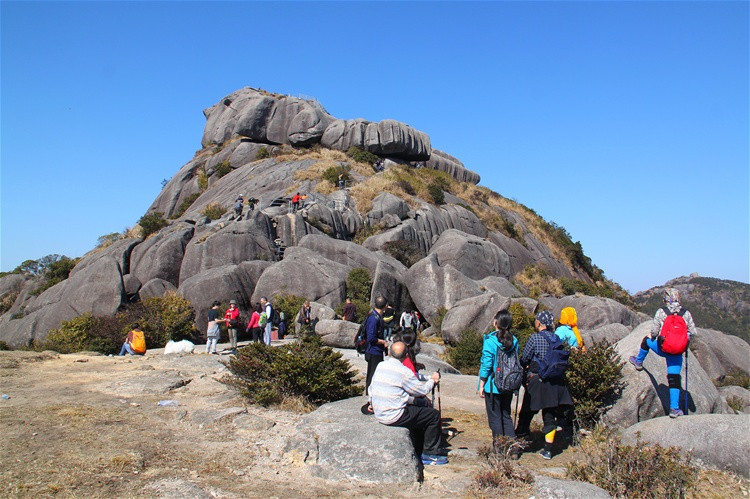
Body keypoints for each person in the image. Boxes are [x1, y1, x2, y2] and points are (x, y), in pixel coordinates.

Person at [369, 341, 447, 466]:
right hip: (394, 415)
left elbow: (371, 388)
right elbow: (421, 391)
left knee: (418, 411)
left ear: (389, 353)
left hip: (379, 412)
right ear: (406, 356)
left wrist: (371, 403)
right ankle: (431, 454)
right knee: (433, 416)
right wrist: (433, 380)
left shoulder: (381, 365)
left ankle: (419, 447)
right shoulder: (404, 371)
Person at [629, 288, 697, 418]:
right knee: (674, 379)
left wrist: (654, 337)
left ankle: (638, 361)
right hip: (677, 352)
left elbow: (654, 332)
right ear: (679, 298)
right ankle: (674, 408)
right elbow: (693, 333)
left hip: (663, 348)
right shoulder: (685, 313)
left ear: (665, 299)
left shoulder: (662, 312)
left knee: (646, 341)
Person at [514, 311, 573, 460]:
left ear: (539, 323)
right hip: (555, 381)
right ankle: (548, 450)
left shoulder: (535, 338)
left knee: (527, 411)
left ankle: (520, 439)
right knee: (549, 415)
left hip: (537, 380)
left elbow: (525, 358)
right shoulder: (556, 338)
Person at [477, 309, 520, 457]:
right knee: (506, 415)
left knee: (495, 418)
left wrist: (481, 384)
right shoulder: (514, 341)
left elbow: (487, 365)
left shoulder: (491, 341)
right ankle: (513, 449)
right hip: (509, 385)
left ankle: (500, 449)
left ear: (496, 322)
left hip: (493, 386)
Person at [364, 296, 389, 396]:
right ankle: (369, 397)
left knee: (375, 375)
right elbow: (371, 338)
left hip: (376, 351)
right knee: (372, 375)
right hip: (373, 352)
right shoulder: (374, 319)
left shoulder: (376, 316)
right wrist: (383, 342)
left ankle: (372, 395)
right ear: (385, 306)